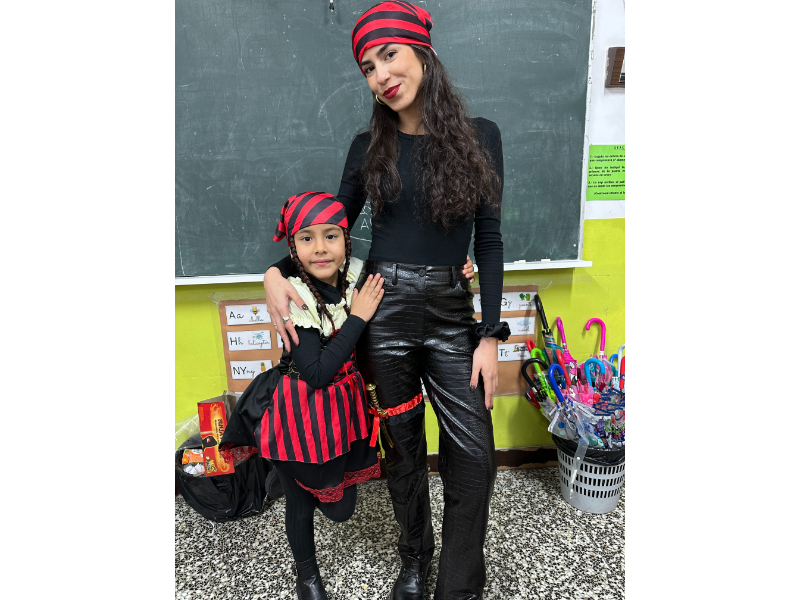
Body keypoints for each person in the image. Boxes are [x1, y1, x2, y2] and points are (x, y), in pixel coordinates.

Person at [263, 3, 510, 599]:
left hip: (452, 313)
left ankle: (458, 585)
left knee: (474, 455)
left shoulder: (482, 137)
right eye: (368, 67)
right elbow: (329, 232)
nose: (380, 75)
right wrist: (275, 271)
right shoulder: (366, 146)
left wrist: (488, 336)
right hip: (382, 311)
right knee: (402, 450)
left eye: (389, 55)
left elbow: (490, 241)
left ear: (422, 51)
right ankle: (415, 559)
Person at [222, 191, 387, 600]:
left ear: (347, 239)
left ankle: (297, 483)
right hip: (300, 415)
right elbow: (315, 373)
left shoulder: (356, 274)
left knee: (342, 508)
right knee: (301, 501)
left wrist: (459, 268)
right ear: (293, 246)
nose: (320, 248)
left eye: (331, 235)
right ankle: (307, 576)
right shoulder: (295, 295)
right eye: (306, 238)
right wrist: (358, 317)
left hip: (343, 410)